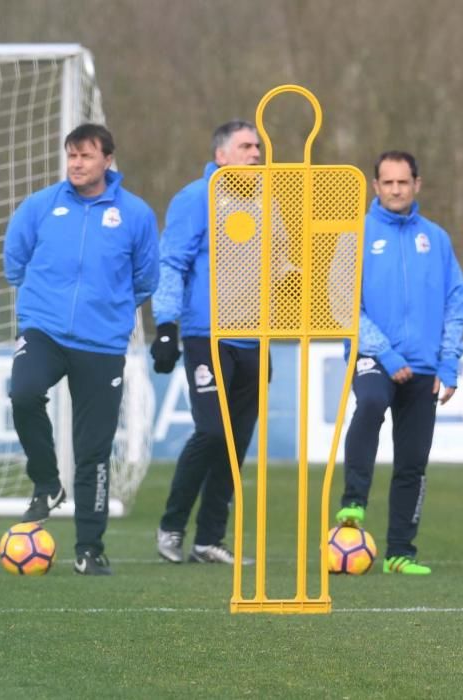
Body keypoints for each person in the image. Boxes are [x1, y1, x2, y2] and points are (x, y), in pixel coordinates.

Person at [4, 123, 159, 576]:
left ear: (108, 161)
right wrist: (40, 304)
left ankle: (90, 548)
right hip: (44, 330)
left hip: (103, 342)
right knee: (24, 393)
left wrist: (109, 311)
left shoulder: (136, 214)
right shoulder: (41, 205)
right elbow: (15, 259)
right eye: (71, 155)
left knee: (94, 449)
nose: (76, 164)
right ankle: (47, 481)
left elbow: (146, 278)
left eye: (86, 156)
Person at [335, 151, 463, 575]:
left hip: (425, 366)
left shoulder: (438, 240)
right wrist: (385, 353)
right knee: (370, 403)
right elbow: (342, 302)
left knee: (412, 461)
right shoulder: (354, 235)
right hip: (374, 356)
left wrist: (449, 363)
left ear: (417, 185)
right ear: (375, 187)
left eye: (403, 182)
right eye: (387, 183)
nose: (395, 190)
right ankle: (353, 502)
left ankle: (399, 553)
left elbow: (454, 302)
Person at [150, 120, 263, 565]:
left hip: (255, 339)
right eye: (246, 146)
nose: (256, 154)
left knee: (234, 443)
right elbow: (172, 263)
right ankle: (172, 526)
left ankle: (209, 539)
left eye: (258, 146)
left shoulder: (269, 201)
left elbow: (283, 263)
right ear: (221, 155)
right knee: (212, 432)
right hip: (206, 335)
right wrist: (165, 325)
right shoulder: (196, 198)